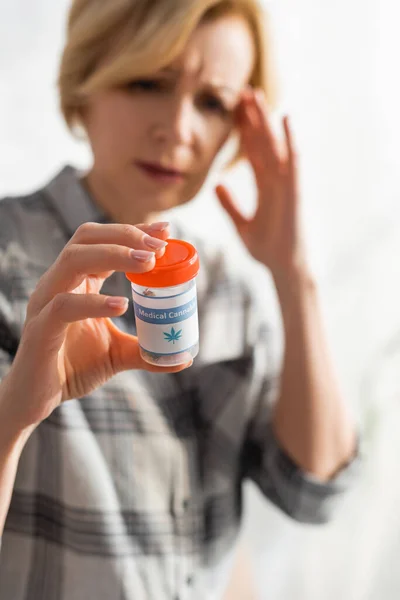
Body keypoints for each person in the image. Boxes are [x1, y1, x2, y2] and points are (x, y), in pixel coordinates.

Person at [0, 0, 359, 598]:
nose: (179, 129)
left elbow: (311, 490)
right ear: (85, 80)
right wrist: (15, 416)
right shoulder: (9, 259)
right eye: (148, 82)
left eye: (213, 103)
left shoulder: (230, 295)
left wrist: (294, 274)